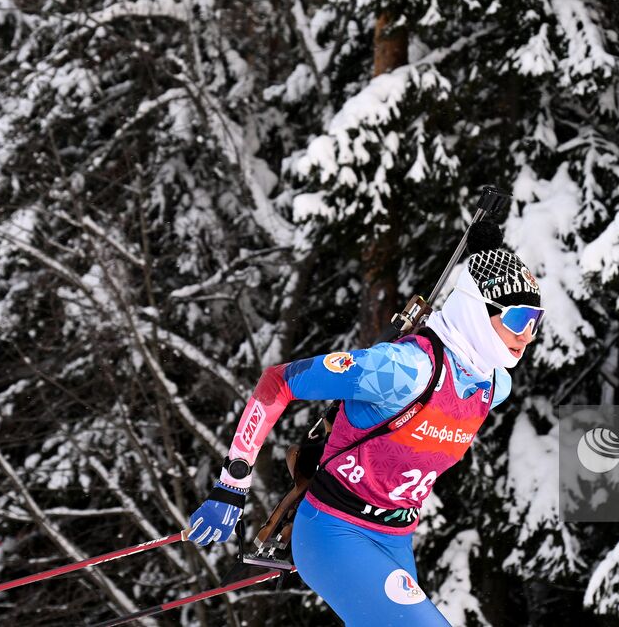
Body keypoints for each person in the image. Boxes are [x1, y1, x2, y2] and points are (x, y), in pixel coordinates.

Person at [183, 222, 543, 625]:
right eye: (518, 319)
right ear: (476, 312)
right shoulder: (402, 369)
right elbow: (278, 382)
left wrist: (485, 263)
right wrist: (232, 485)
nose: (527, 336)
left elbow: (467, 334)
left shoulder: (493, 384)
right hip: (335, 533)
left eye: (536, 321)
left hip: (395, 542)